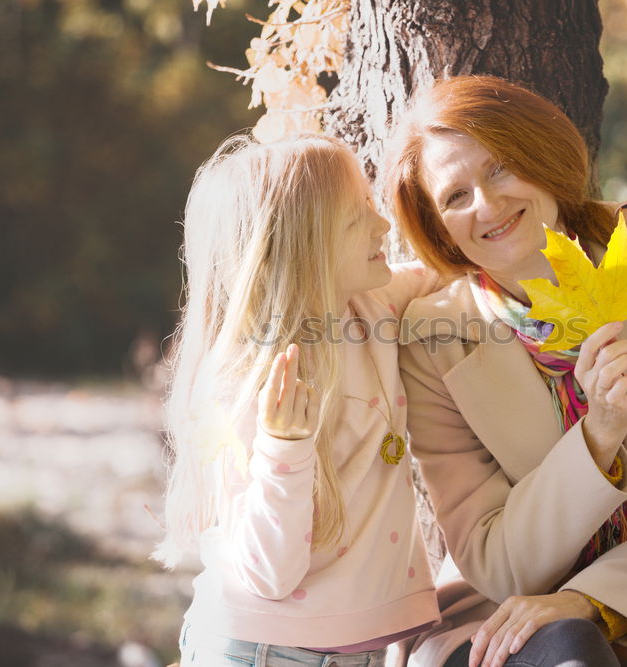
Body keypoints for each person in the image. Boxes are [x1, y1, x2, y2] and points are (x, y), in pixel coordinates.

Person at [385, 75, 627, 667]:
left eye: (501, 167)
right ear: (437, 226)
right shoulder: (433, 339)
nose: (487, 206)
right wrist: (596, 438)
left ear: (544, 158)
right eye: (455, 197)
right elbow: (496, 561)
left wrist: (592, 600)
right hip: (494, 620)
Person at [153, 133, 444, 666]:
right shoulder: (251, 380)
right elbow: (268, 574)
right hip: (262, 651)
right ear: (298, 248)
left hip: (343, 651)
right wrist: (284, 450)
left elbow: (455, 265)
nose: (384, 227)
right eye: (358, 217)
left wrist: (619, 222)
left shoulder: (369, 306)